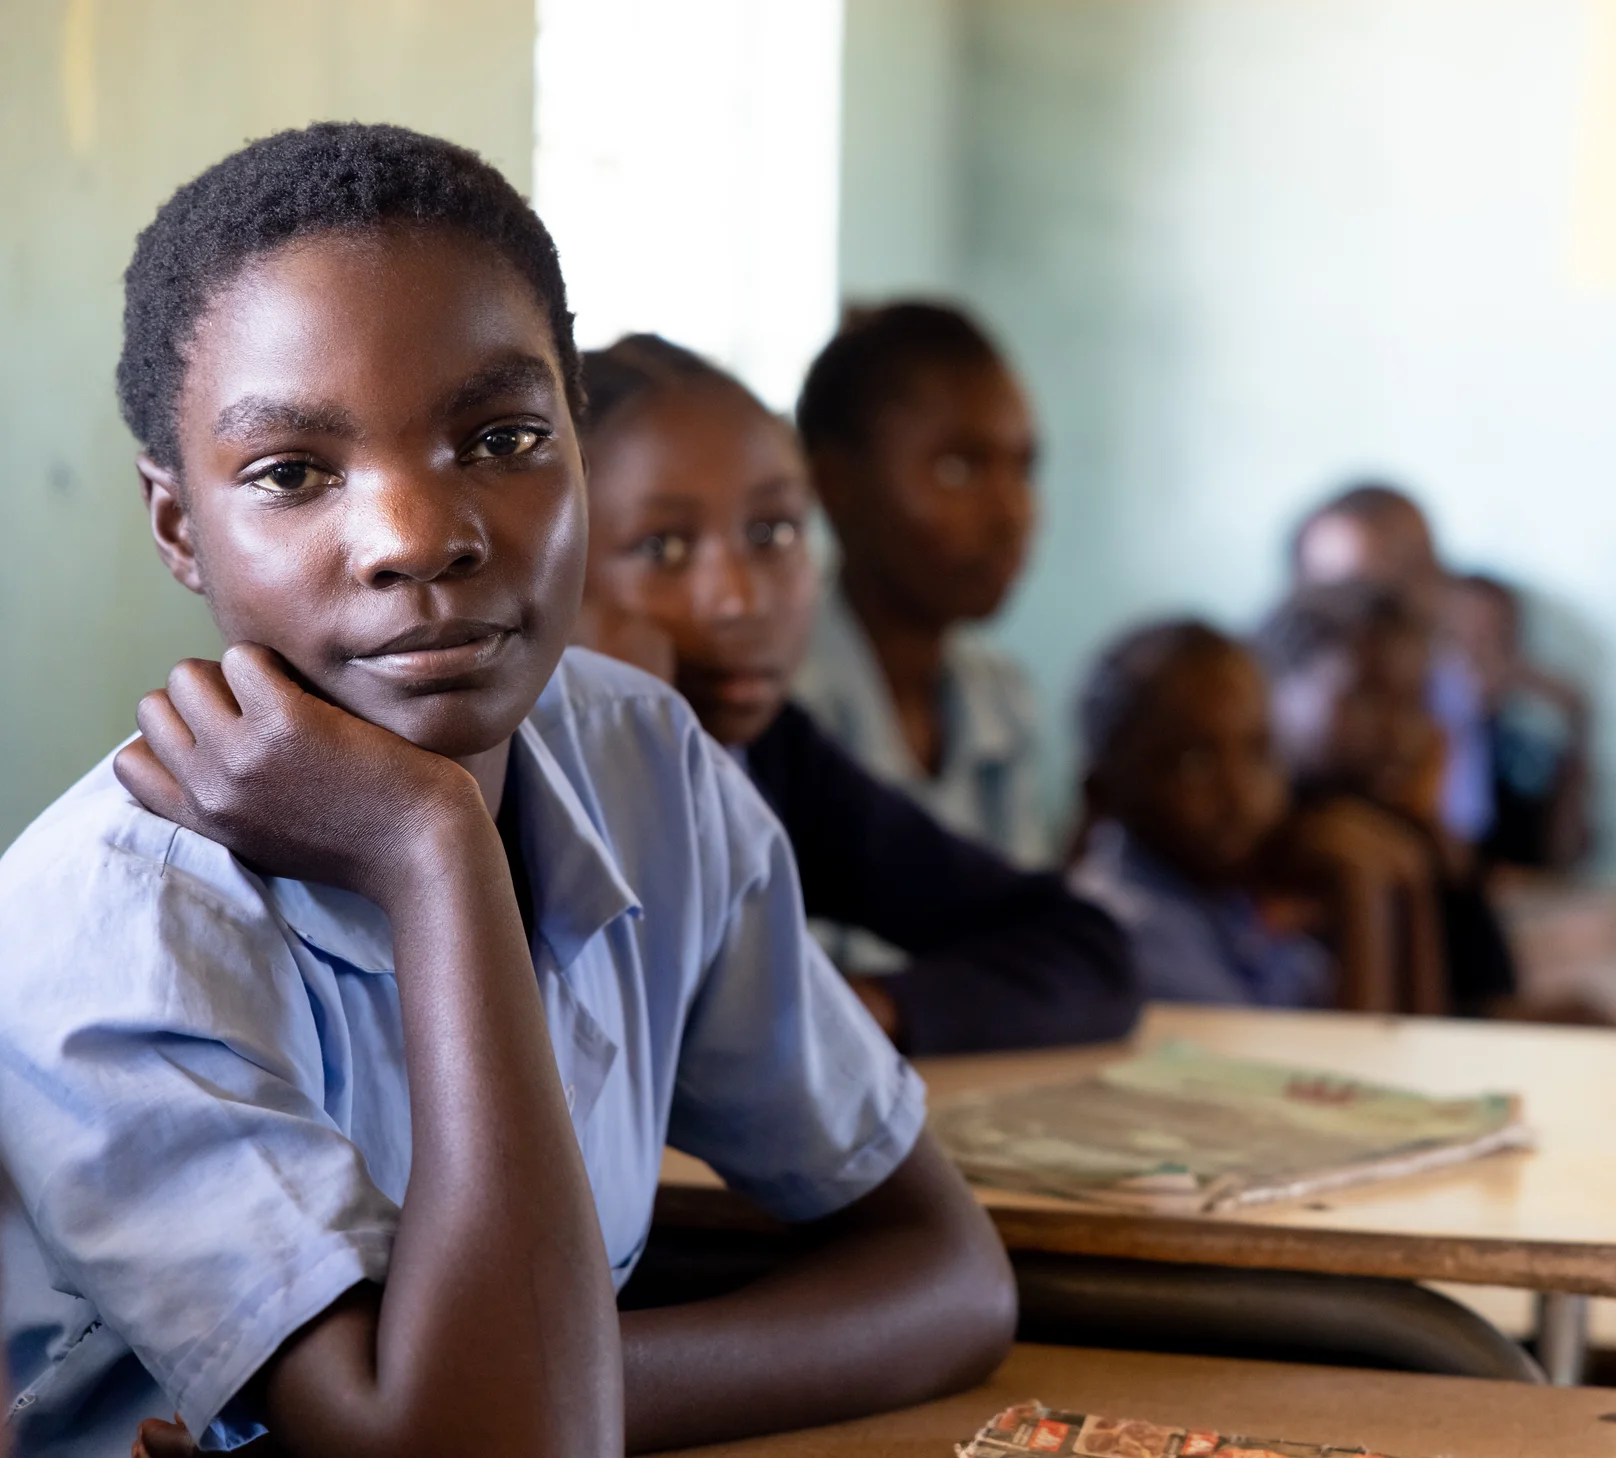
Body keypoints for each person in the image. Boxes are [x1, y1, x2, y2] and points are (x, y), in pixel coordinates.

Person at [0, 124, 1013, 1458]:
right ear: (181, 524)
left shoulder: (641, 760)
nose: (421, 538)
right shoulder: (110, 926)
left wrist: (547, 1387)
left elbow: (946, 1274)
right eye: (293, 472)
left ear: (579, 446)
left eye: (501, 436)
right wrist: (432, 849)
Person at [575, 332, 1138, 1055]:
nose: (739, 600)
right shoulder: (489, 794)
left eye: (773, 531)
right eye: (664, 548)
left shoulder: (774, 754)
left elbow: (1086, 949)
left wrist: (849, 1012)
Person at [1069, 620, 1447, 1013]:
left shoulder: (1227, 910)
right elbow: (1341, 1072)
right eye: (1194, 761)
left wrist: (1410, 890)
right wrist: (1361, 893)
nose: (1240, 793)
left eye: (1259, 751)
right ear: (1104, 791)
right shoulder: (1127, 932)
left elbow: (1414, 1048)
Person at [791, 302, 1047, 865]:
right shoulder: (779, 704)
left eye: (1024, 467)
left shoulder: (1002, 698)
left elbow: (1035, 931)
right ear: (835, 482)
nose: (1013, 514)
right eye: (959, 468)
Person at [1257, 582, 1520, 1014]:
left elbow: (1472, 1006)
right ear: (1275, 692)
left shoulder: (1416, 836)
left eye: (1414, 701)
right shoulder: (1256, 856)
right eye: (1367, 694)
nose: (1397, 731)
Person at [1288, 482, 1494, 850]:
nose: (1406, 599)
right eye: (1360, 586)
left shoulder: (1448, 684)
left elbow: (1457, 843)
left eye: (1418, 569)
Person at [1443, 573, 1593, 872]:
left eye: (1494, 640)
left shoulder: (1528, 745)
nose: (1477, 656)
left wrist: (1578, 730)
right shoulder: (1413, 739)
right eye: (1460, 638)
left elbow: (1562, 857)